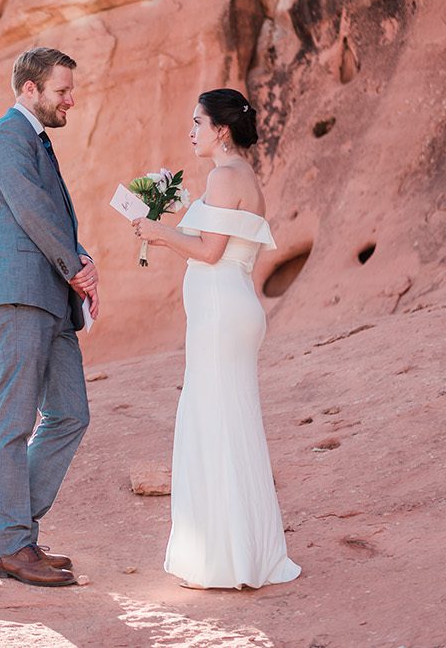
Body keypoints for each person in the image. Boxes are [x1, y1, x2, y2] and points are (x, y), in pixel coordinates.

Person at [133, 88, 301, 590]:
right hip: (228, 309)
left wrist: (158, 234)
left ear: (220, 129)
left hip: (222, 312)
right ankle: (241, 550)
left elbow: (209, 252)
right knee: (228, 423)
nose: (192, 131)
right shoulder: (239, 177)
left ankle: (225, 559)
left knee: (215, 424)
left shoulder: (225, 176)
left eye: (197, 122)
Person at [0, 47, 100, 587]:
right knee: (14, 420)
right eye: (62, 91)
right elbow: (28, 209)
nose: (70, 99)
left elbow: (48, 216)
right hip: (22, 293)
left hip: (51, 297)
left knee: (70, 413)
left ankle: (13, 532)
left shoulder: (34, 139)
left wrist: (81, 260)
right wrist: (75, 266)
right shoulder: (8, 134)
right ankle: (12, 544)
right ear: (31, 89)